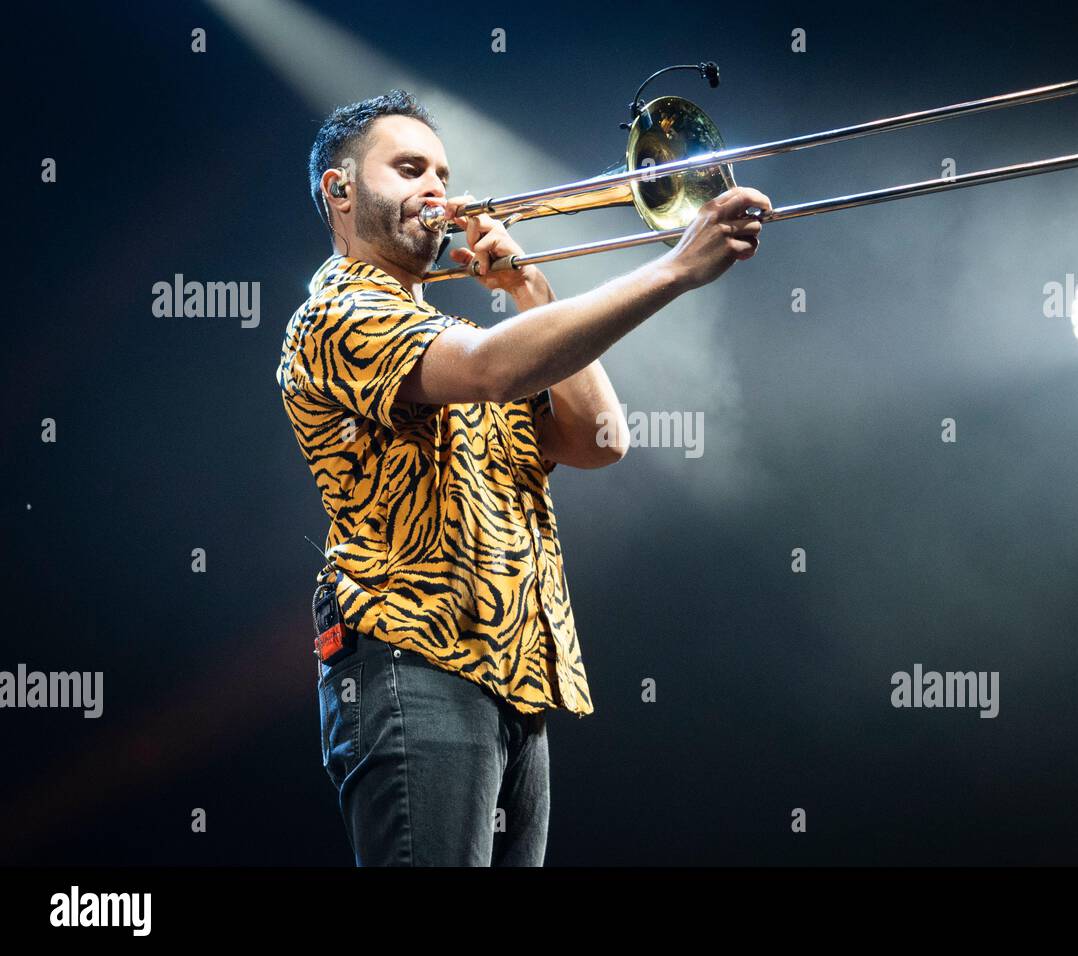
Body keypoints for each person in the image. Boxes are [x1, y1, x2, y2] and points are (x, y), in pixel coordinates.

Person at [275, 89, 770, 866]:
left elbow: (600, 438)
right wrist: (674, 271)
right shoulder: (337, 312)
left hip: (511, 675)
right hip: (415, 657)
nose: (436, 187)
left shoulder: (461, 336)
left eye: (442, 169)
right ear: (340, 191)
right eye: (408, 169)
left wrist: (529, 290)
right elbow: (493, 369)